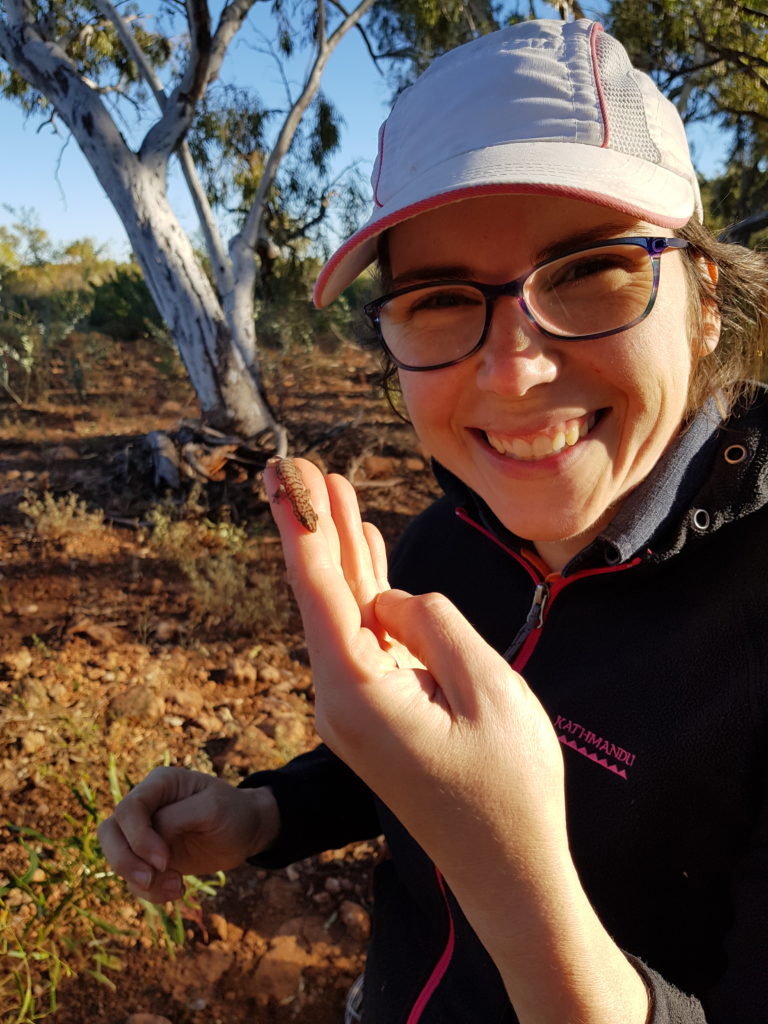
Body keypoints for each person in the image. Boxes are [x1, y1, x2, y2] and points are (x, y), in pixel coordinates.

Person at [97, 18, 768, 1024]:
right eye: (442, 300)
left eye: (591, 270)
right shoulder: (450, 545)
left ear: (706, 298)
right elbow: (412, 768)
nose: (513, 371)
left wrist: (515, 880)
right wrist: (266, 810)